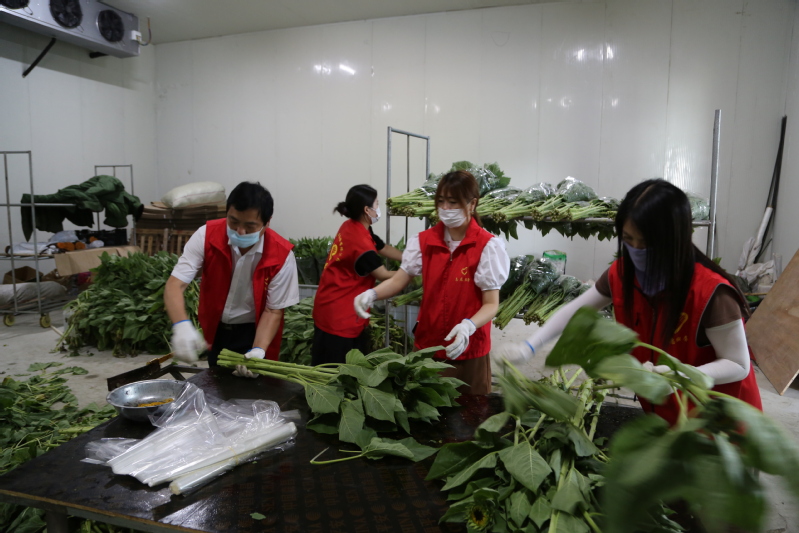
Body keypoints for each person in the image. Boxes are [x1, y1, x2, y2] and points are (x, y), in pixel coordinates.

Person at [494, 178, 762, 423]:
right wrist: (529, 346)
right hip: (671, 419)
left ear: (674, 239)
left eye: (645, 242)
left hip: (721, 421)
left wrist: (680, 376)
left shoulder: (710, 292)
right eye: (628, 239)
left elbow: (738, 364)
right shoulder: (623, 274)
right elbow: (576, 310)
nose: (636, 250)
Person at [354, 170, 510, 395]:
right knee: (427, 407)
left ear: (472, 204)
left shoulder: (487, 246)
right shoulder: (424, 241)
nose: (445, 208)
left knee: (471, 410)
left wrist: (468, 326)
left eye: (453, 202)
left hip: (468, 350)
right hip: (429, 347)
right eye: (441, 201)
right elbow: (398, 280)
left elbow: (491, 304)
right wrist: (372, 294)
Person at [164, 181, 299, 377]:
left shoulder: (281, 255)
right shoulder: (206, 235)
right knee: (216, 382)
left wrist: (258, 350)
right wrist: (181, 325)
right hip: (216, 329)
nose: (240, 231)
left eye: (250, 226)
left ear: (267, 223)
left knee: (254, 388)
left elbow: (272, 310)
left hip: (254, 330)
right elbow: (175, 285)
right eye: (233, 222)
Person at [312, 185, 403, 365]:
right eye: (377, 204)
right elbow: (383, 274)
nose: (379, 208)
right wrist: (413, 272)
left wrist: (411, 258)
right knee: (334, 370)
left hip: (330, 303)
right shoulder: (361, 243)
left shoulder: (353, 226)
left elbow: (382, 247)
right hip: (340, 315)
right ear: (367, 210)